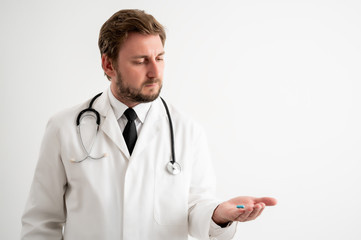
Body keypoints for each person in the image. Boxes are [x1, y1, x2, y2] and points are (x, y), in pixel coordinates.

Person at [21, 9, 277, 240]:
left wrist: (219, 213)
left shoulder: (187, 131)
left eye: (160, 58)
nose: (155, 71)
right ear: (108, 64)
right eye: (141, 60)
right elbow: (42, 221)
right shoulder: (63, 128)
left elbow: (195, 207)